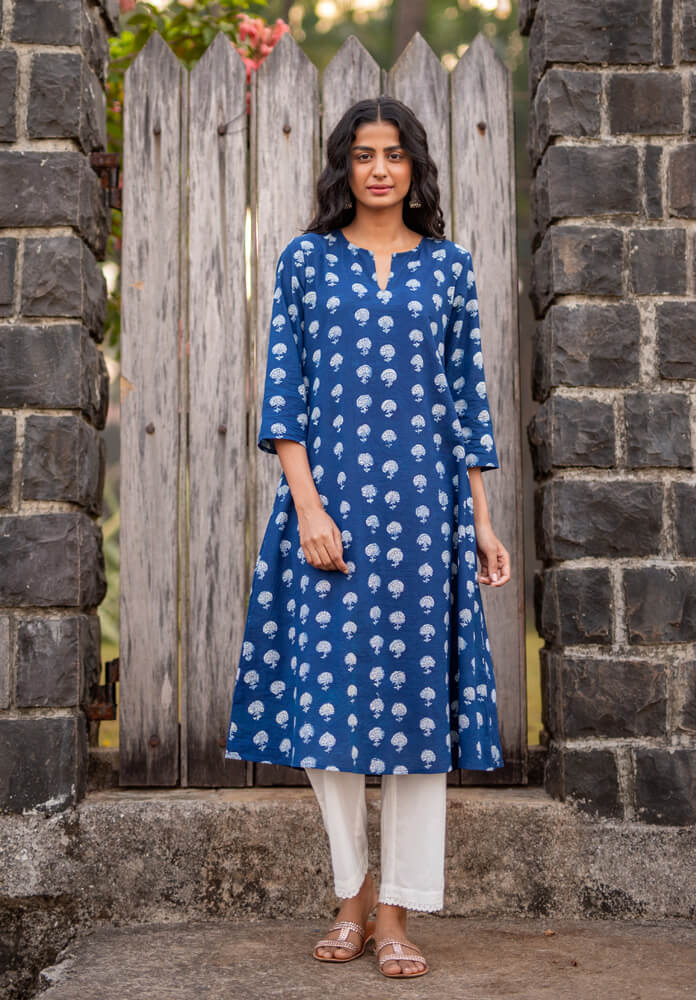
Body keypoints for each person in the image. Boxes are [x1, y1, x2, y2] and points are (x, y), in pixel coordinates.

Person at [225, 96, 511, 979]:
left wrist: (481, 521)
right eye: (362, 154)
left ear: (414, 167)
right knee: (331, 708)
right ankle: (351, 892)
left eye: (393, 154)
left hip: (426, 520)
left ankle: (395, 914)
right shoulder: (306, 261)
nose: (379, 169)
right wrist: (308, 508)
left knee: (420, 717)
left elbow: (466, 404)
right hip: (333, 517)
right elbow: (284, 396)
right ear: (342, 168)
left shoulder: (450, 268)